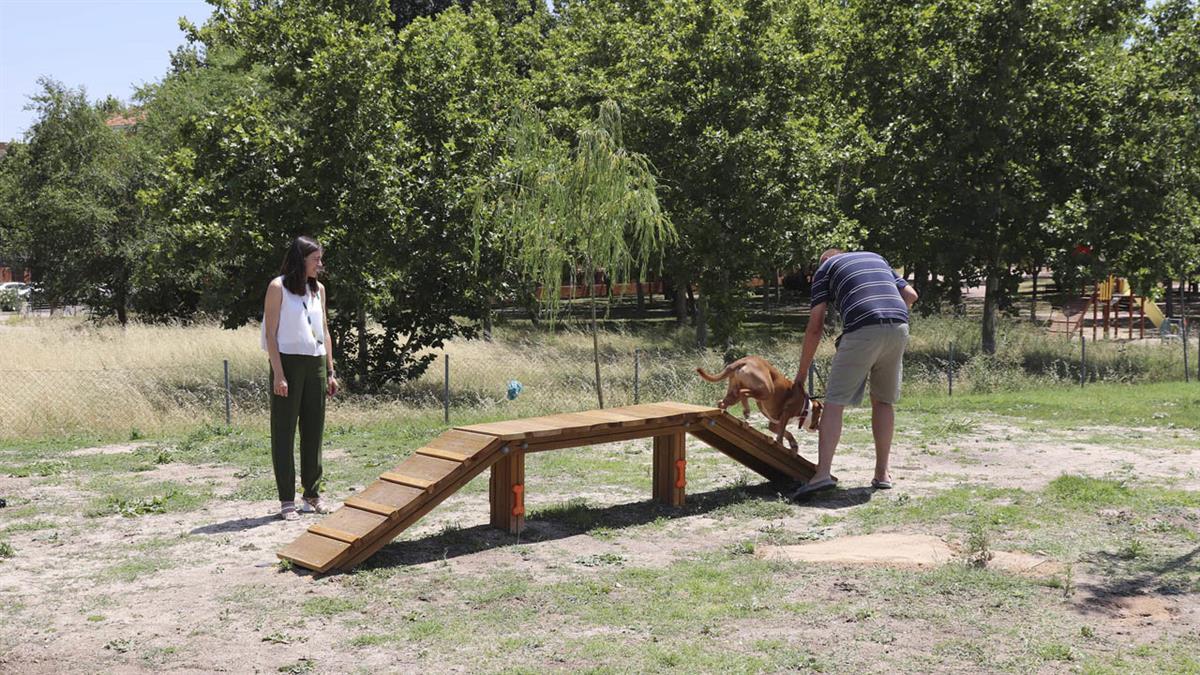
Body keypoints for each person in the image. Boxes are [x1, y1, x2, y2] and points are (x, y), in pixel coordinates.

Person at [790, 249, 918, 499]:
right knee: (883, 401)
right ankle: (882, 474)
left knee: (835, 403)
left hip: (862, 327)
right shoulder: (877, 258)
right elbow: (911, 295)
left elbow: (815, 326)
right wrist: (889, 318)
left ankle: (822, 474)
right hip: (899, 325)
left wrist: (801, 375)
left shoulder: (825, 269)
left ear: (824, 261)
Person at [262, 236, 339, 520]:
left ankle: (312, 494)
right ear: (300, 260)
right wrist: (279, 374)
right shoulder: (277, 287)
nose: (320, 264)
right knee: (284, 433)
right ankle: (286, 500)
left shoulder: (318, 289)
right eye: (315, 259)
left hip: (316, 363)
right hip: (288, 364)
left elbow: (325, 330)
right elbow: (271, 334)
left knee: (314, 432)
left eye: (320, 259)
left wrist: (330, 371)